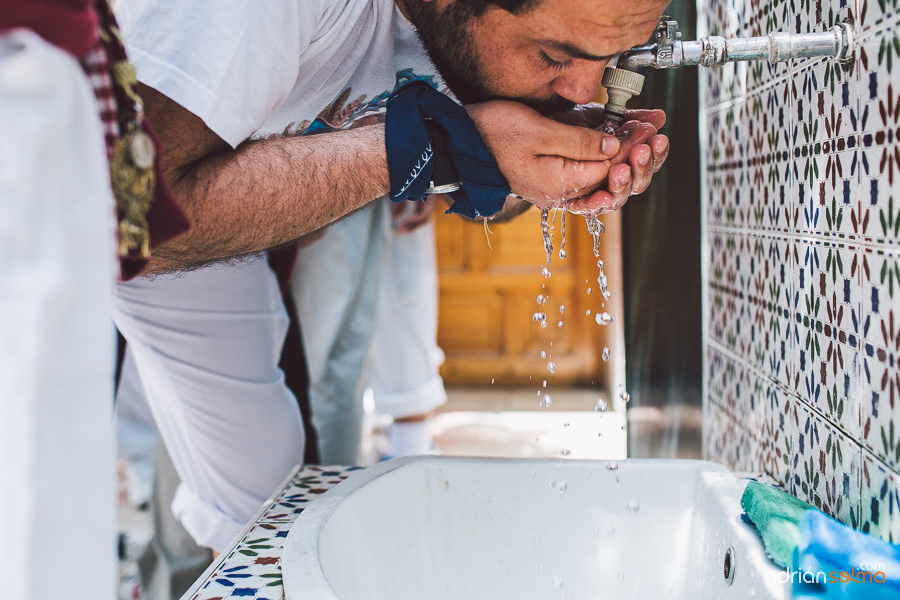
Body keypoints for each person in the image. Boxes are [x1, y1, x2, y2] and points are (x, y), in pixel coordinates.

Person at [111, 0, 672, 553]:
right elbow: (133, 215)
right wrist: (430, 147)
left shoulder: (480, 36)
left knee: (264, 515)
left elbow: (491, 166)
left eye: (611, 58)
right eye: (554, 55)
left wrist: (539, 159)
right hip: (87, 208)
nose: (585, 90)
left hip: (182, 199)